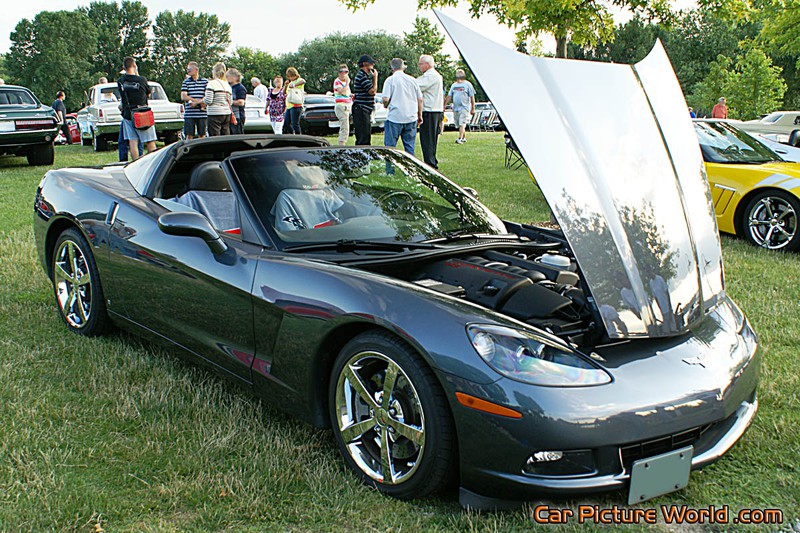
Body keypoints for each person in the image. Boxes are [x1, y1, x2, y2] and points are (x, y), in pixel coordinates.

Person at [382, 58, 423, 155]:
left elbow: (385, 99)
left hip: (395, 117)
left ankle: (390, 170)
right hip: (411, 116)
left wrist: (385, 105)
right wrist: (419, 115)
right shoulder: (413, 80)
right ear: (403, 67)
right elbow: (420, 99)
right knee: (409, 147)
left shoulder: (390, 80)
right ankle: (410, 169)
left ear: (392, 68)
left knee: (390, 147)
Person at [117, 57, 156, 160]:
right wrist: (137, 73)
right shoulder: (141, 80)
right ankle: (151, 162)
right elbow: (148, 93)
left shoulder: (120, 82)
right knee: (150, 141)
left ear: (124, 68)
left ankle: (136, 163)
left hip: (128, 114)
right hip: (143, 113)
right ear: (134, 66)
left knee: (133, 142)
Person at [416, 54, 444, 168]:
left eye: (420, 64)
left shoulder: (431, 76)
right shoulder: (433, 75)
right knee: (430, 138)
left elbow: (416, 86)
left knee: (428, 139)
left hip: (430, 111)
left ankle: (430, 163)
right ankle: (430, 161)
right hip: (434, 110)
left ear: (427, 64)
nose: (419, 66)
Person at [444, 69, 476, 144]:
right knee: (458, 124)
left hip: (464, 108)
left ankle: (460, 138)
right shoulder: (454, 85)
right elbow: (449, 96)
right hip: (456, 108)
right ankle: (464, 137)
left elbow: (472, 97)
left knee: (462, 123)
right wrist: (445, 104)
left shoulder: (468, 85)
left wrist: (473, 108)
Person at [352, 55, 378, 145]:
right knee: (363, 137)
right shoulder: (362, 76)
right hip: (361, 109)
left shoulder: (365, 76)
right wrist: (375, 78)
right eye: (371, 63)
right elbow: (372, 92)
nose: (373, 64)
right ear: (364, 64)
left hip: (364, 109)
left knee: (365, 134)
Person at [181, 61, 208, 140]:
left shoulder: (205, 81)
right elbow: (183, 96)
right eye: (187, 69)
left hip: (202, 113)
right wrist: (195, 100)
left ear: (196, 70)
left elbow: (207, 96)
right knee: (189, 135)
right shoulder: (186, 82)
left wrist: (196, 103)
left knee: (202, 135)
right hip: (189, 114)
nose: (188, 71)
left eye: (189, 69)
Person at [204, 62, 232, 136]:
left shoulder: (211, 83)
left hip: (214, 113)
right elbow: (230, 102)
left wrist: (203, 100)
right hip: (226, 113)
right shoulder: (227, 85)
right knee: (225, 135)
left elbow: (208, 101)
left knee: (214, 136)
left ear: (214, 72)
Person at [333, 64, 352, 145]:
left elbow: (346, 94)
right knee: (345, 127)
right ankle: (341, 145)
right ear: (339, 73)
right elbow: (342, 91)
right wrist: (347, 83)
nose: (344, 74)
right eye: (342, 72)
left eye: (346, 72)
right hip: (341, 106)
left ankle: (342, 144)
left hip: (347, 105)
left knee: (346, 126)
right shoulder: (337, 82)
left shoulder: (344, 83)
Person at [282, 67, 305, 134]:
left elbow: (303, 81)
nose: (290, 78)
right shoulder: (290, 83)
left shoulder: (298, 80)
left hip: (296, 105)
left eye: (291, 76)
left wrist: (294, 85)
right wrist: (286, 86)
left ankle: (299, 137)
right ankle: (292, 134)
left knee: (295, 124)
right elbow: (284, 93)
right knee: (286, 123)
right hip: (289, 106)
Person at [227, 68, 247, 135]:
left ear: (234, 77)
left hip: (238, 116)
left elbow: (241, 102)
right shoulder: (228, 87)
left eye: (228, 76)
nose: (226, 78)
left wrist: (229, 102)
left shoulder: (240, 88)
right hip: (229, 115)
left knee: (237, 135)